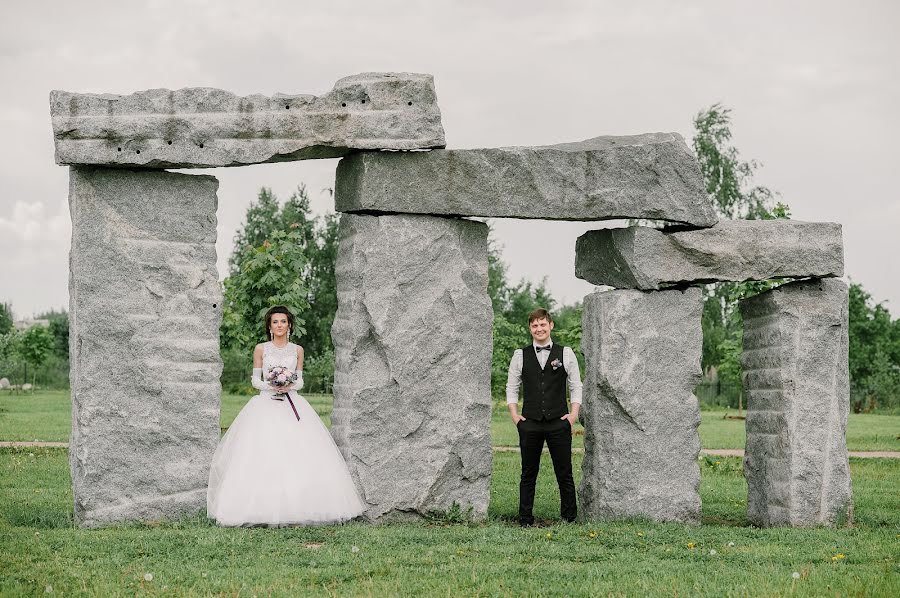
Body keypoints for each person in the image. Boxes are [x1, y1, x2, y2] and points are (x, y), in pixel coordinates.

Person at [207, 305, 365, 526]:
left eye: (283, 321)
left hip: (292, 404)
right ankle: (258, 508)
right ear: (269, 326)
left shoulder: (297, 350)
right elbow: (254, 380)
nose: (279, 325)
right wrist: (272, 385)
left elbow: (300, 381)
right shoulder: (261, 349)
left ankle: (299, 507)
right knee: (262, 453)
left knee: (299, 453)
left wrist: (288, 384)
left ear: (289, 325)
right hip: (265, 405)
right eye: (275, 322)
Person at [506, 308, 582, 526]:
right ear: (530, 328)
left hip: (559, 422)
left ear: (551, 325)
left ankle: (569, 518)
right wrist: (514, 415)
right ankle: (525, 519)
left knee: (564, 472)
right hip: (529, 423)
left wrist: (573, 414)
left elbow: (576, 385)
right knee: (528, 474)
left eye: (542, 324)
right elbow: (512, 387)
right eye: (534, 325)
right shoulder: (520, 355)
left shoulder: (566, 353)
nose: (539, 329)